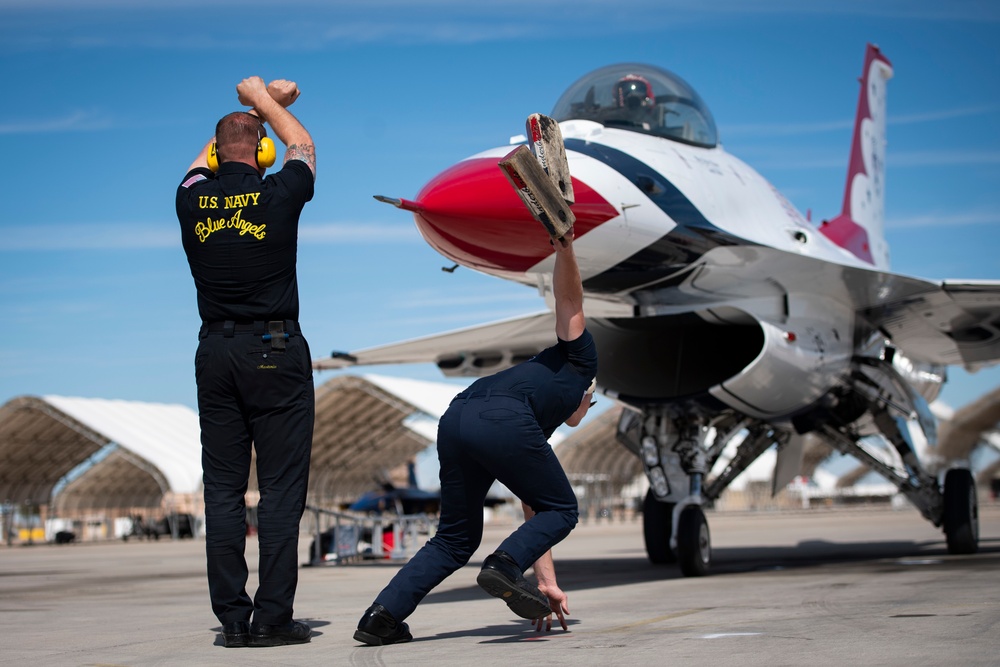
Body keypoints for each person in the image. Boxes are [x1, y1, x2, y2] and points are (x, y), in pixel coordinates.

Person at [354, 227, 598, 645]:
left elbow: (533, 508)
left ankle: (382, 617)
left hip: (457, 416)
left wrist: (545, 582)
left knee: (455, 537)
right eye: (588, 407)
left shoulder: (538, 404)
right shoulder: (579, 361)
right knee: (566, 508)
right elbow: (570, 300)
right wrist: (567, 250)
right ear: (587, 397)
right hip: (499, 420)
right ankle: (502, 564)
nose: (584, 413)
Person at [175, 76, 317, 649]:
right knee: (281, 491)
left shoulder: (190, 198)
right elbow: (303, 146)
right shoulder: (279, 193)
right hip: (275, 350)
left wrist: (246, 116)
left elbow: (204, 158)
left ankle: (233, 620)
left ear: (214, 153)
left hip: (215, 352)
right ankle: (273, 618)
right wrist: (264, 102)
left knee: (224, 491)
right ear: (262, 153)